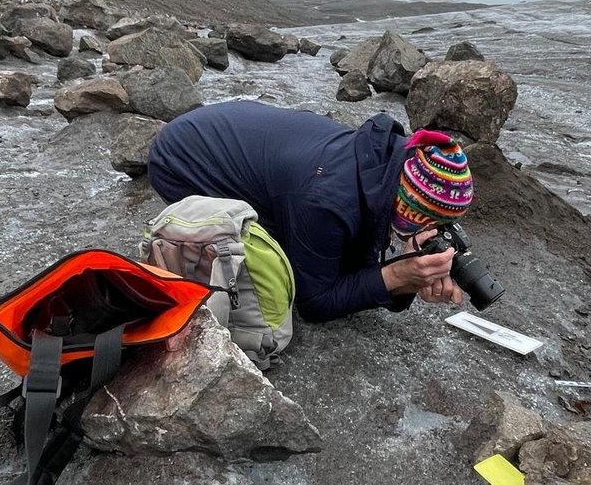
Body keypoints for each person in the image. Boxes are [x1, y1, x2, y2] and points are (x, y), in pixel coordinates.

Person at [146, 100, 474, 323]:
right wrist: (399, 275)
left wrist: (408, 275)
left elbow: (357, 265)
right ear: (409, 210)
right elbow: (314, 303)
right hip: (179, 159)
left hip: (228, 133)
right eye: (434, 223)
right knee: (266, 256)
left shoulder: (382, 163)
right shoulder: (325, 199)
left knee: (323, 253)